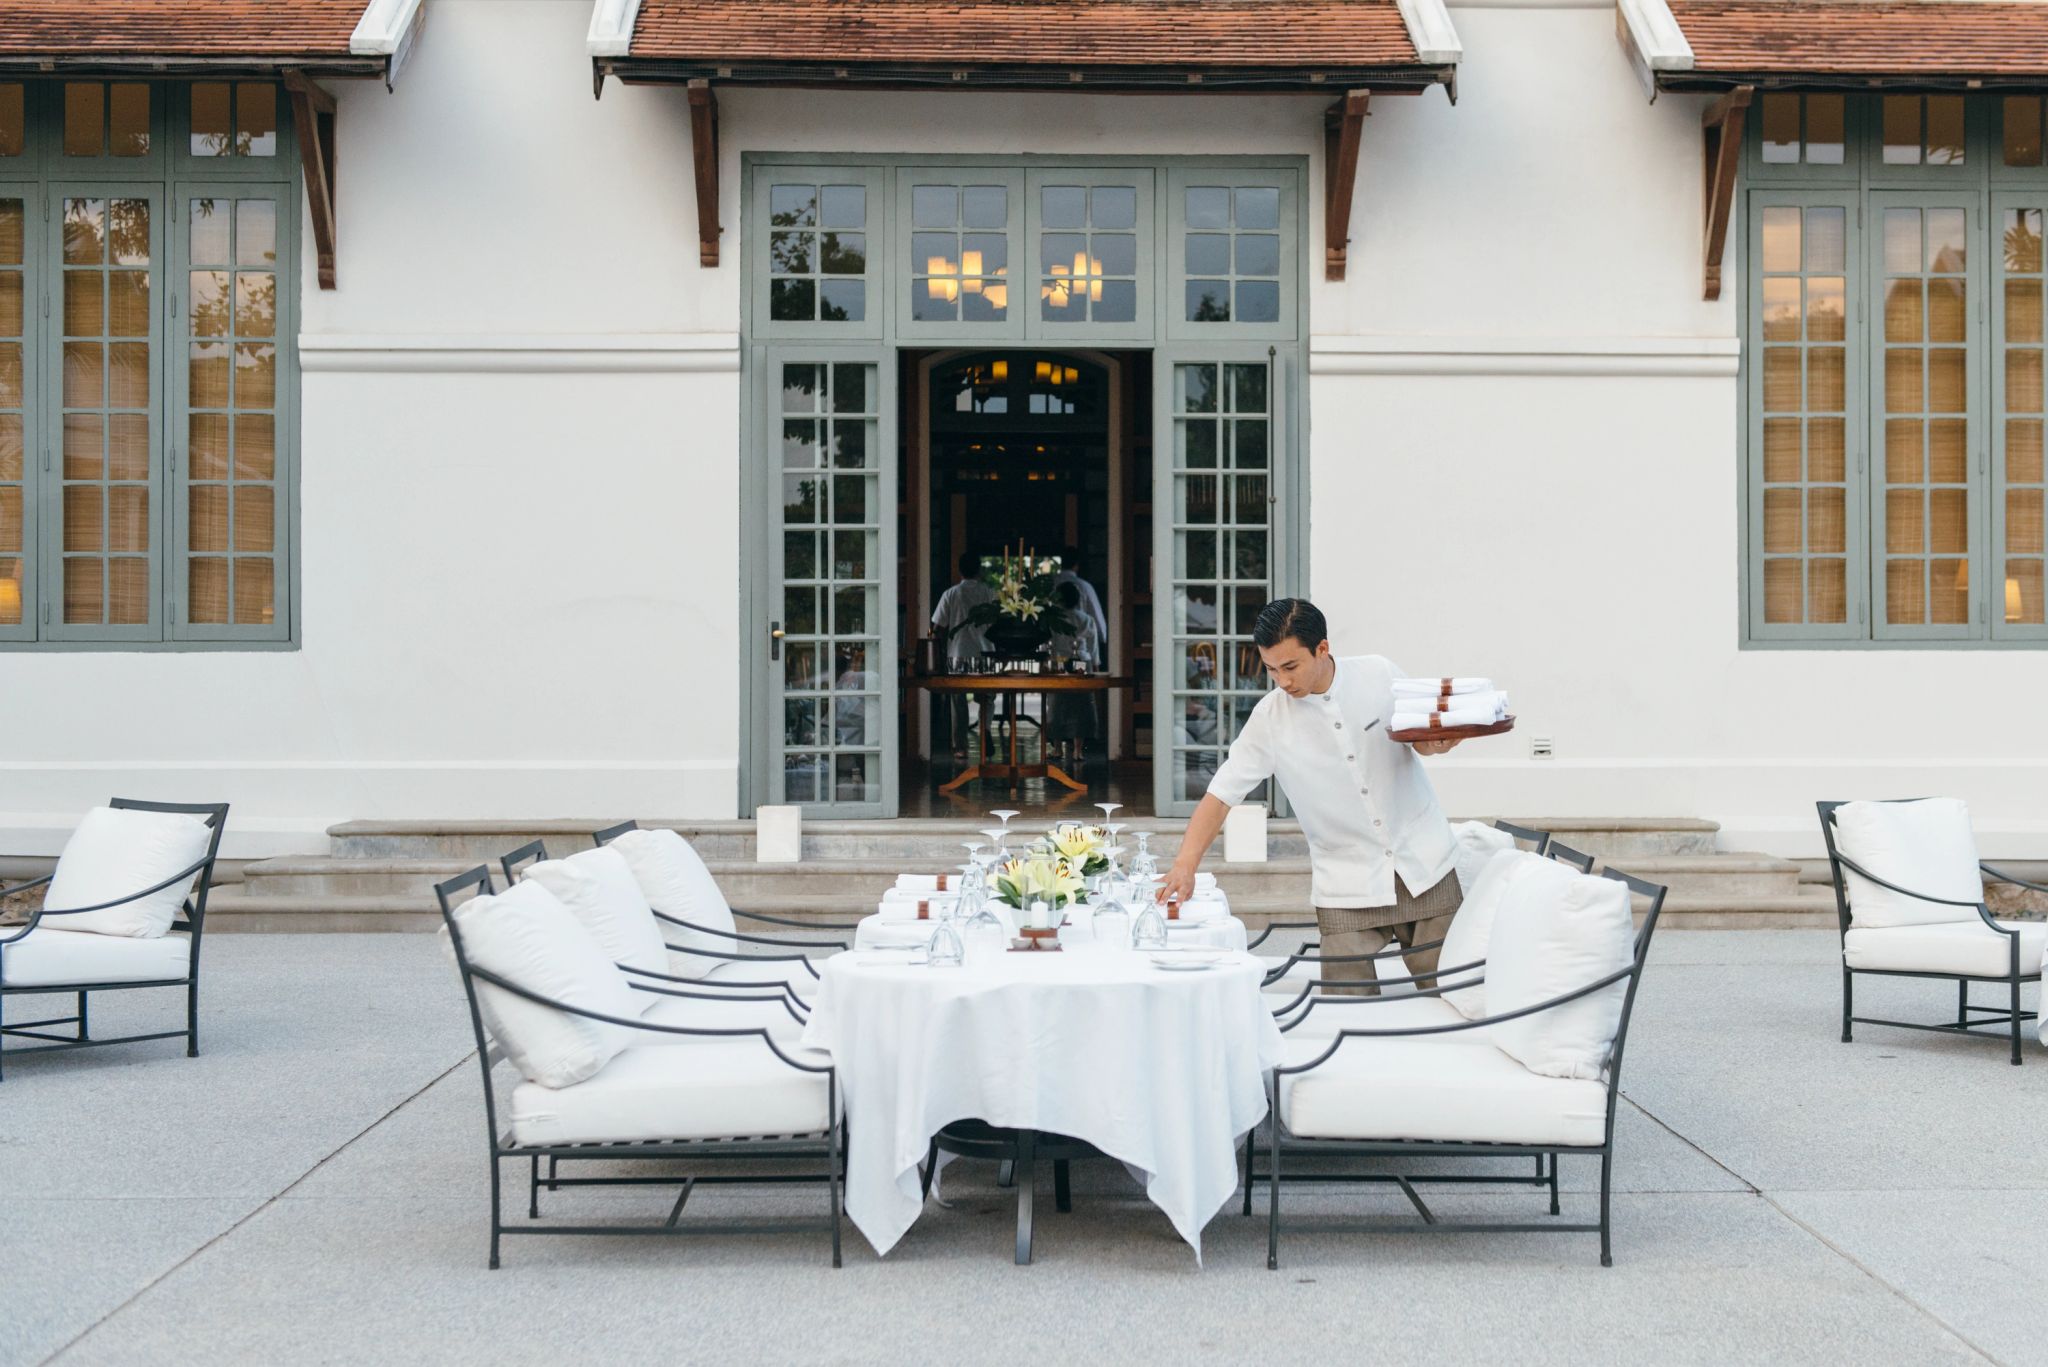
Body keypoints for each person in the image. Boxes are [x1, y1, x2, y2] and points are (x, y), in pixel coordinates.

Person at [1161, 598, 1463, 995]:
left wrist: (1439, 745)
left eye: (1290, 667)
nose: (1282, 681)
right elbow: (1220, 794)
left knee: (1455, 994)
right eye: (1271, 669)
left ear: (1322, 649)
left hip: (1423, 863)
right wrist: (1185, 865)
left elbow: (1418, 741)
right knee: (1345, 1006)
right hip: (1345, 882)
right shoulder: (1269, 719)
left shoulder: (1379, 673)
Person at [930, 551, 996, 759]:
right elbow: (998, 623)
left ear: (959, 570)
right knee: (987, 697)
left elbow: (937, 626)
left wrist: (939, 647)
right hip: (985, 653)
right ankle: (984, 729)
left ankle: (960, 746)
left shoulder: (951, 594)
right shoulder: (989, 593)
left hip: (958, 654)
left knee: (958, 701)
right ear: (979, 570)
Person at [1045, 581, 1101, 767]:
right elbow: (1093, 646)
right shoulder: (1085, 618)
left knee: (1057, 703)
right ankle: (1077, 750)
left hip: (1059, 660)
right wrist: (1095, 664)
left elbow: (1048, 643)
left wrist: (1047, 662)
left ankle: (1057, 748)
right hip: (1081, 661)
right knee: (1081, 704)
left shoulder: (1054, 619)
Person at [1053, 546, 1107, 667]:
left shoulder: (1051, 584)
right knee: (1081, 682)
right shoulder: (1085, 587)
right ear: (1077, 564)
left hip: (1059, 657)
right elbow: (1097, 624)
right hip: (1082, 656)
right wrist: (1096, 662)